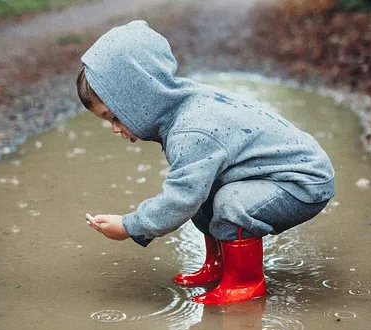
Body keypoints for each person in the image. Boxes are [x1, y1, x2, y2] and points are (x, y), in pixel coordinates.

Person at [80, 21, 335, 305]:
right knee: (206, 189)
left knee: (229, 202)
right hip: (271, 174)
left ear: (140, 98)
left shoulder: (191, 130)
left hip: (303, 181)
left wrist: (130, 226)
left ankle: (245, 282)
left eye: (114, 116)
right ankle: (219, 265)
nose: (115, 129)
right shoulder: (180, 106)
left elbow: (180, 200)